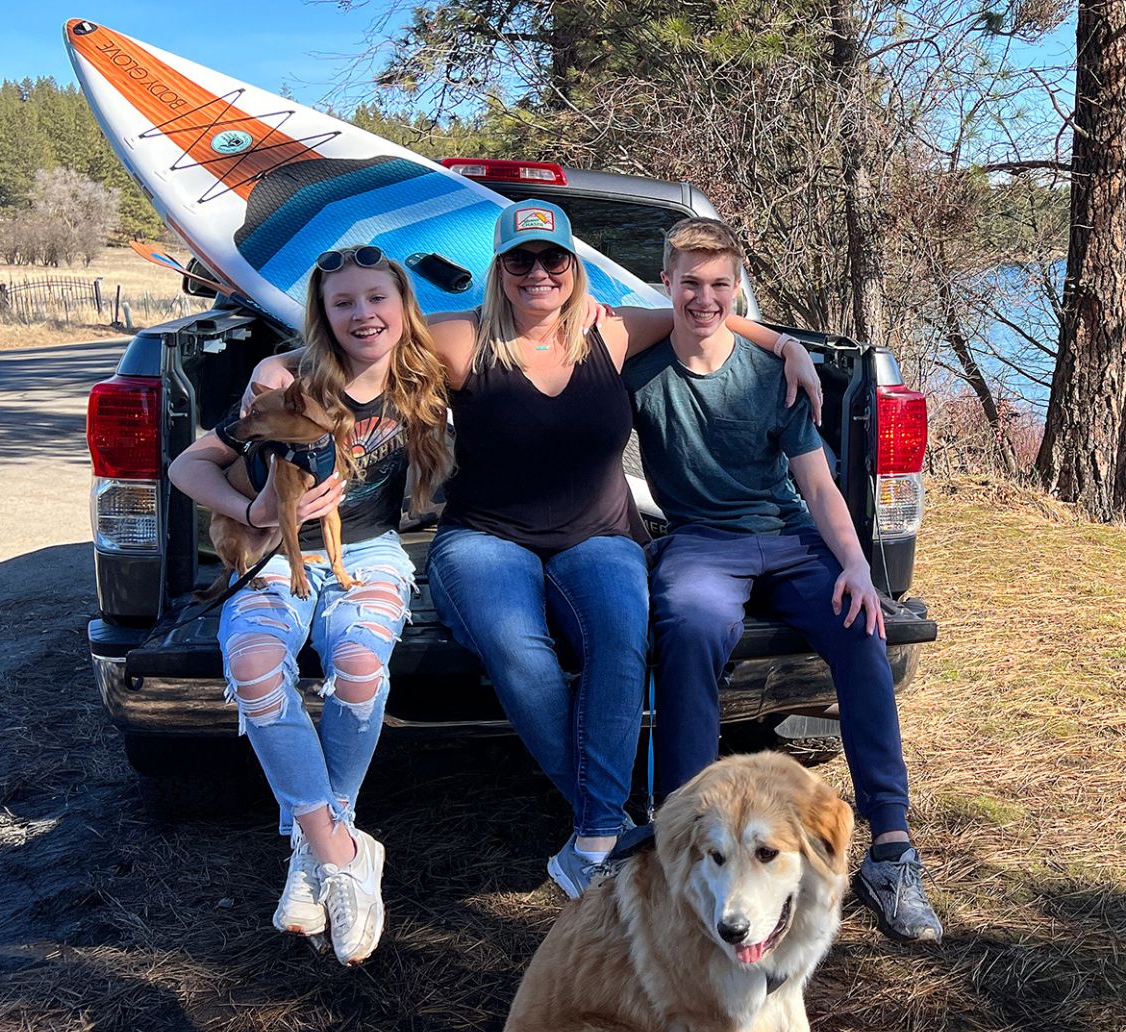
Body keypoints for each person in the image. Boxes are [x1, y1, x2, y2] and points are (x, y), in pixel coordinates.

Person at [425, 199, 822, 899]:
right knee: (519, 649)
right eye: (521, 260)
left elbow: (703, 315)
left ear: (574, 268)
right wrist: (278, 372)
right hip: (487, 538)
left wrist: (786, 345)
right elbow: (361, 344)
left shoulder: (605, 334)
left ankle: (596, 839)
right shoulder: (461, 338)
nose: (538, 273)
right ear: (499, 270)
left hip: (598, 534)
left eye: (553, 259)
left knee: (621, 635)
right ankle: (603, 827)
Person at [623, 216, 943, 943]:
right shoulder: (638, 372)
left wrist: (860, 568)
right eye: (690, 284)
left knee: (863, 626)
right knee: (692, 628)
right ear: (666, 285)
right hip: (702, 543)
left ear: (736, 290)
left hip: (790, 539)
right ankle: (688, 841)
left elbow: (819, 486)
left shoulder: (772, 373)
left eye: (719, 286)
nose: (704, 299)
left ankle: (890, 848)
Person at [168, 246, 450, 965]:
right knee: (255, 661)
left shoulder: (427, 373)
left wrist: (780, 348)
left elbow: (543, 322)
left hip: (370, 551)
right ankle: (343, 850)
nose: (363, 314)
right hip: (274, 555)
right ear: (322, 315)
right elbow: (186, 464)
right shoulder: (284, 384)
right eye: (343, 302)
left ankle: (315, 843)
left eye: (376, 298)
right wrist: (249, 509)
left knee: (359, 664)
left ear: (402, 304)